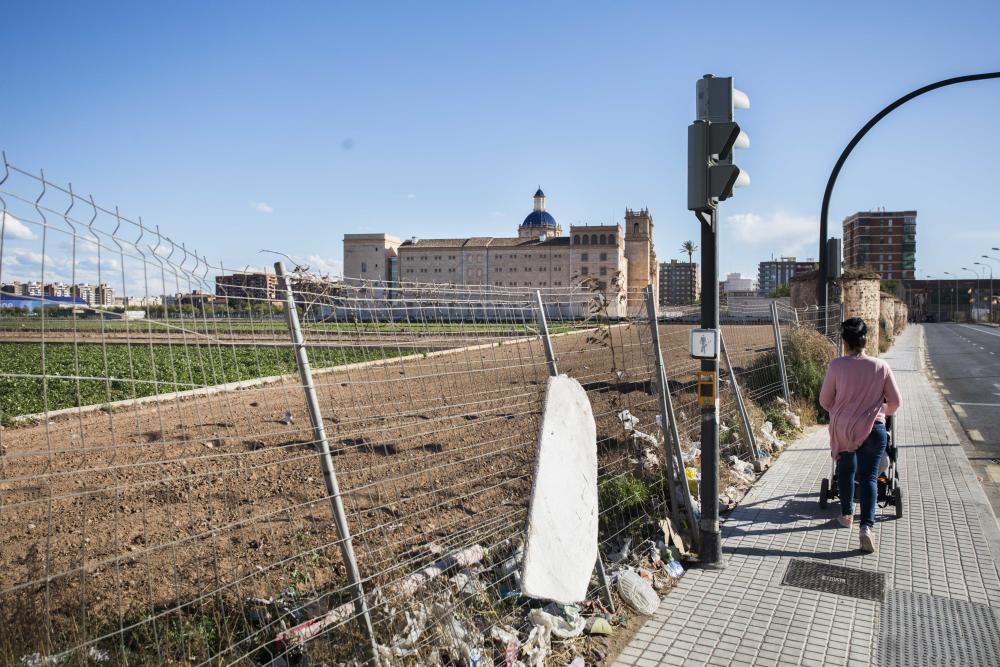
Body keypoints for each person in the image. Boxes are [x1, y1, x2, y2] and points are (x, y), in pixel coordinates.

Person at [819, 318, 901, 553]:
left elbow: (825, 401)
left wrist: (842, 410)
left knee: (845, 471)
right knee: (869, 478)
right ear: (865, 340)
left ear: (845, 342)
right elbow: (895, 402)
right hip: (873, 429)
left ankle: (846, 516)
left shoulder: (836, 366)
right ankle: (867, 527)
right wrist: (879, 412)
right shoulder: (881, 366)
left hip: (844, 428)